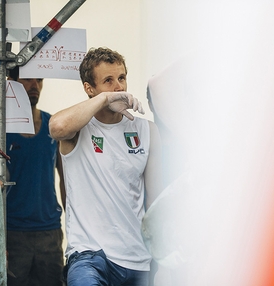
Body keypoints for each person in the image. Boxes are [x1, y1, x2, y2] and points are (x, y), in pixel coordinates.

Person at [49, 47, 163, 286]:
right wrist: (103, 100)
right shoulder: (78, 128)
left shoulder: (147, 130)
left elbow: (154, 203)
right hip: (89, 255)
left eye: (121, 78)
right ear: (89, 88)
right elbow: (57, 127)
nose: (119, 87)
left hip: (137, 259)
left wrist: (160, 257)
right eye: (108, 81)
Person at [4, 67, 66, 286]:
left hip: (49, 231)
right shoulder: (1, 129)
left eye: (39, 79)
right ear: (11, 81)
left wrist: (73, 227)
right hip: (13, 232)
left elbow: (65, 180)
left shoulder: (54, 126)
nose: (34, 85)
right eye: (28, 79)